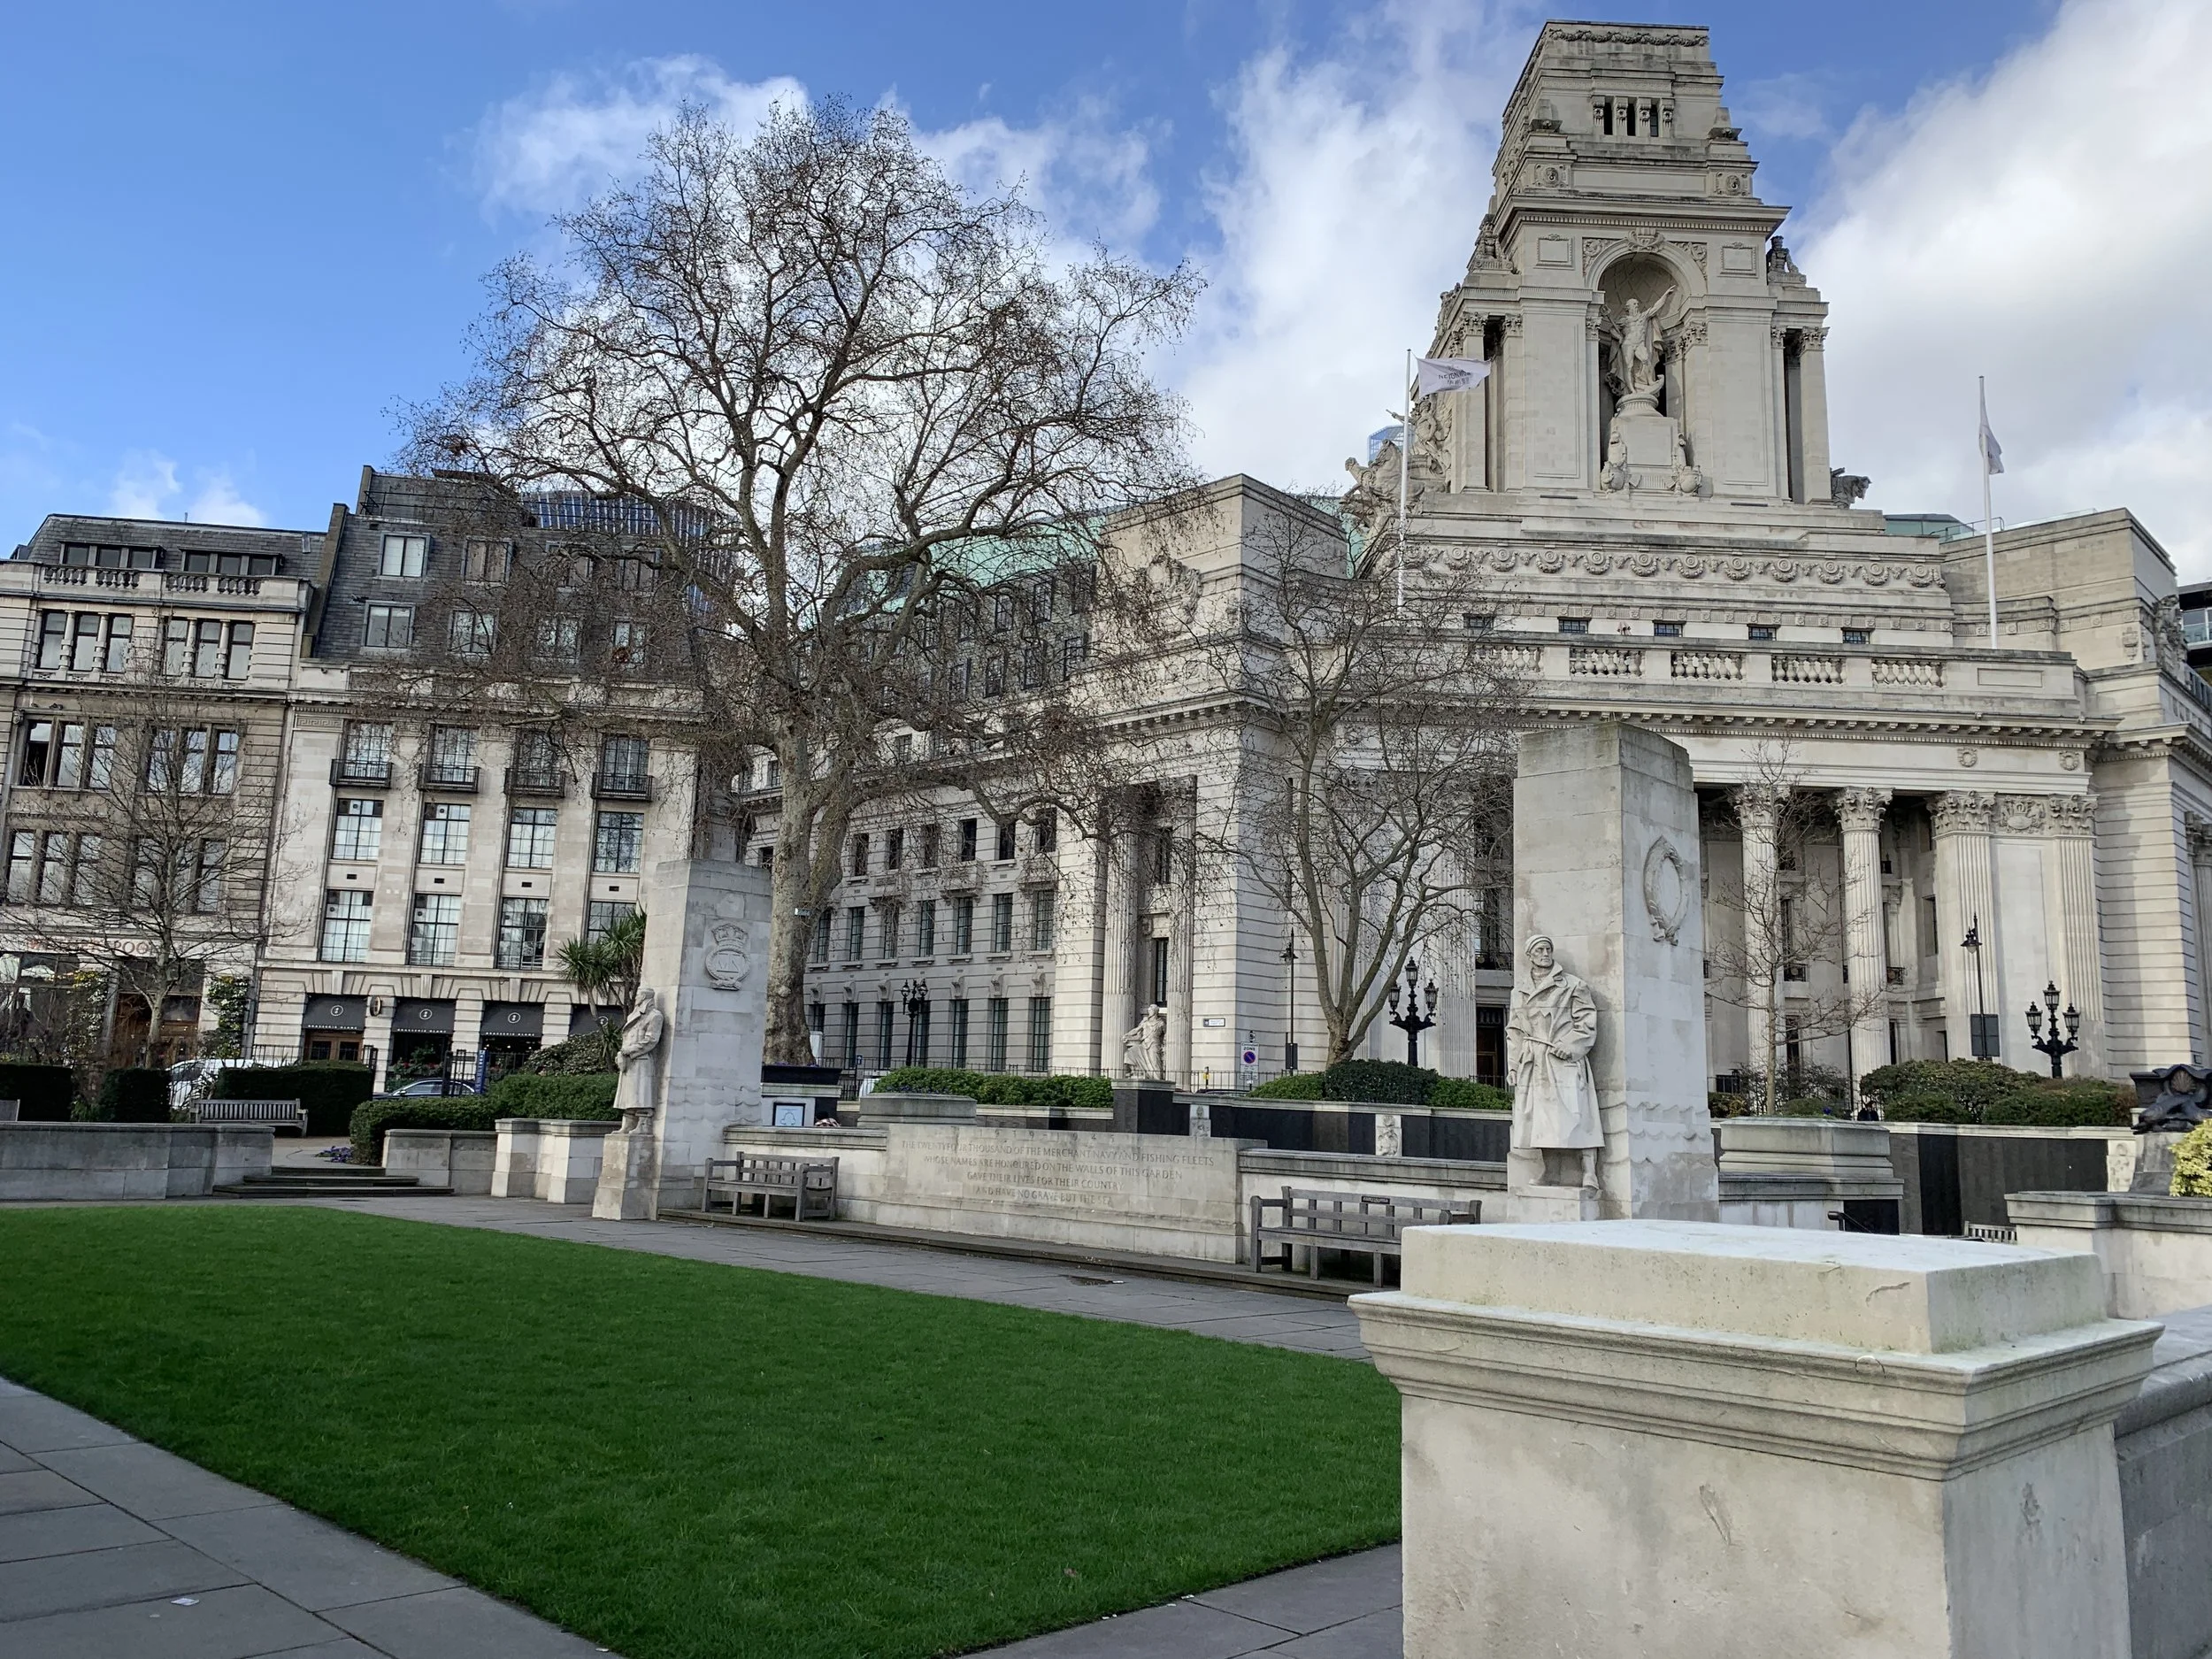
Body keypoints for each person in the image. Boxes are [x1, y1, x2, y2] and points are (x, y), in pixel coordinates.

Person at [1506, 935, 1602, 1188]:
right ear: (1530, 955)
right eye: (1539, 949)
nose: (1545, 953)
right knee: (1541, 1120)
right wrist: (1513, 1066)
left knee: (1580, 1115)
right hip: (1534, 1060)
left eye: (1548, 949)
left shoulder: (1573, 985)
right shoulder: (1521, 990)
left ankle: (1589, 1172)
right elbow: (1515, 1030)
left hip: (1562, 1058)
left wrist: (1570, 1046)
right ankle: (1549, 1171)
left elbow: (1587, 1021)